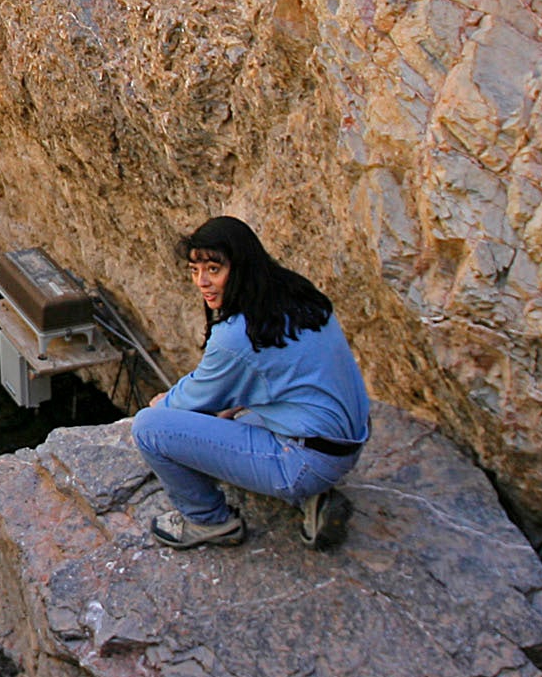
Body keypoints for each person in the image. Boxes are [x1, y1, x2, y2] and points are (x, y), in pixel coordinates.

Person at [130, 215, 372, 551]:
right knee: (231, 416)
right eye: (195, 270)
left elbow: (193, 399)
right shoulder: (294, 293)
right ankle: (312, 498)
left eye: (214, 269)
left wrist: (162, 404)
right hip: (345, 440)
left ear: (240, 268)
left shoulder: (237, 335)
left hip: (305, 460)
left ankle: (209, 521)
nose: (202, 282)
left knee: (149, 428)